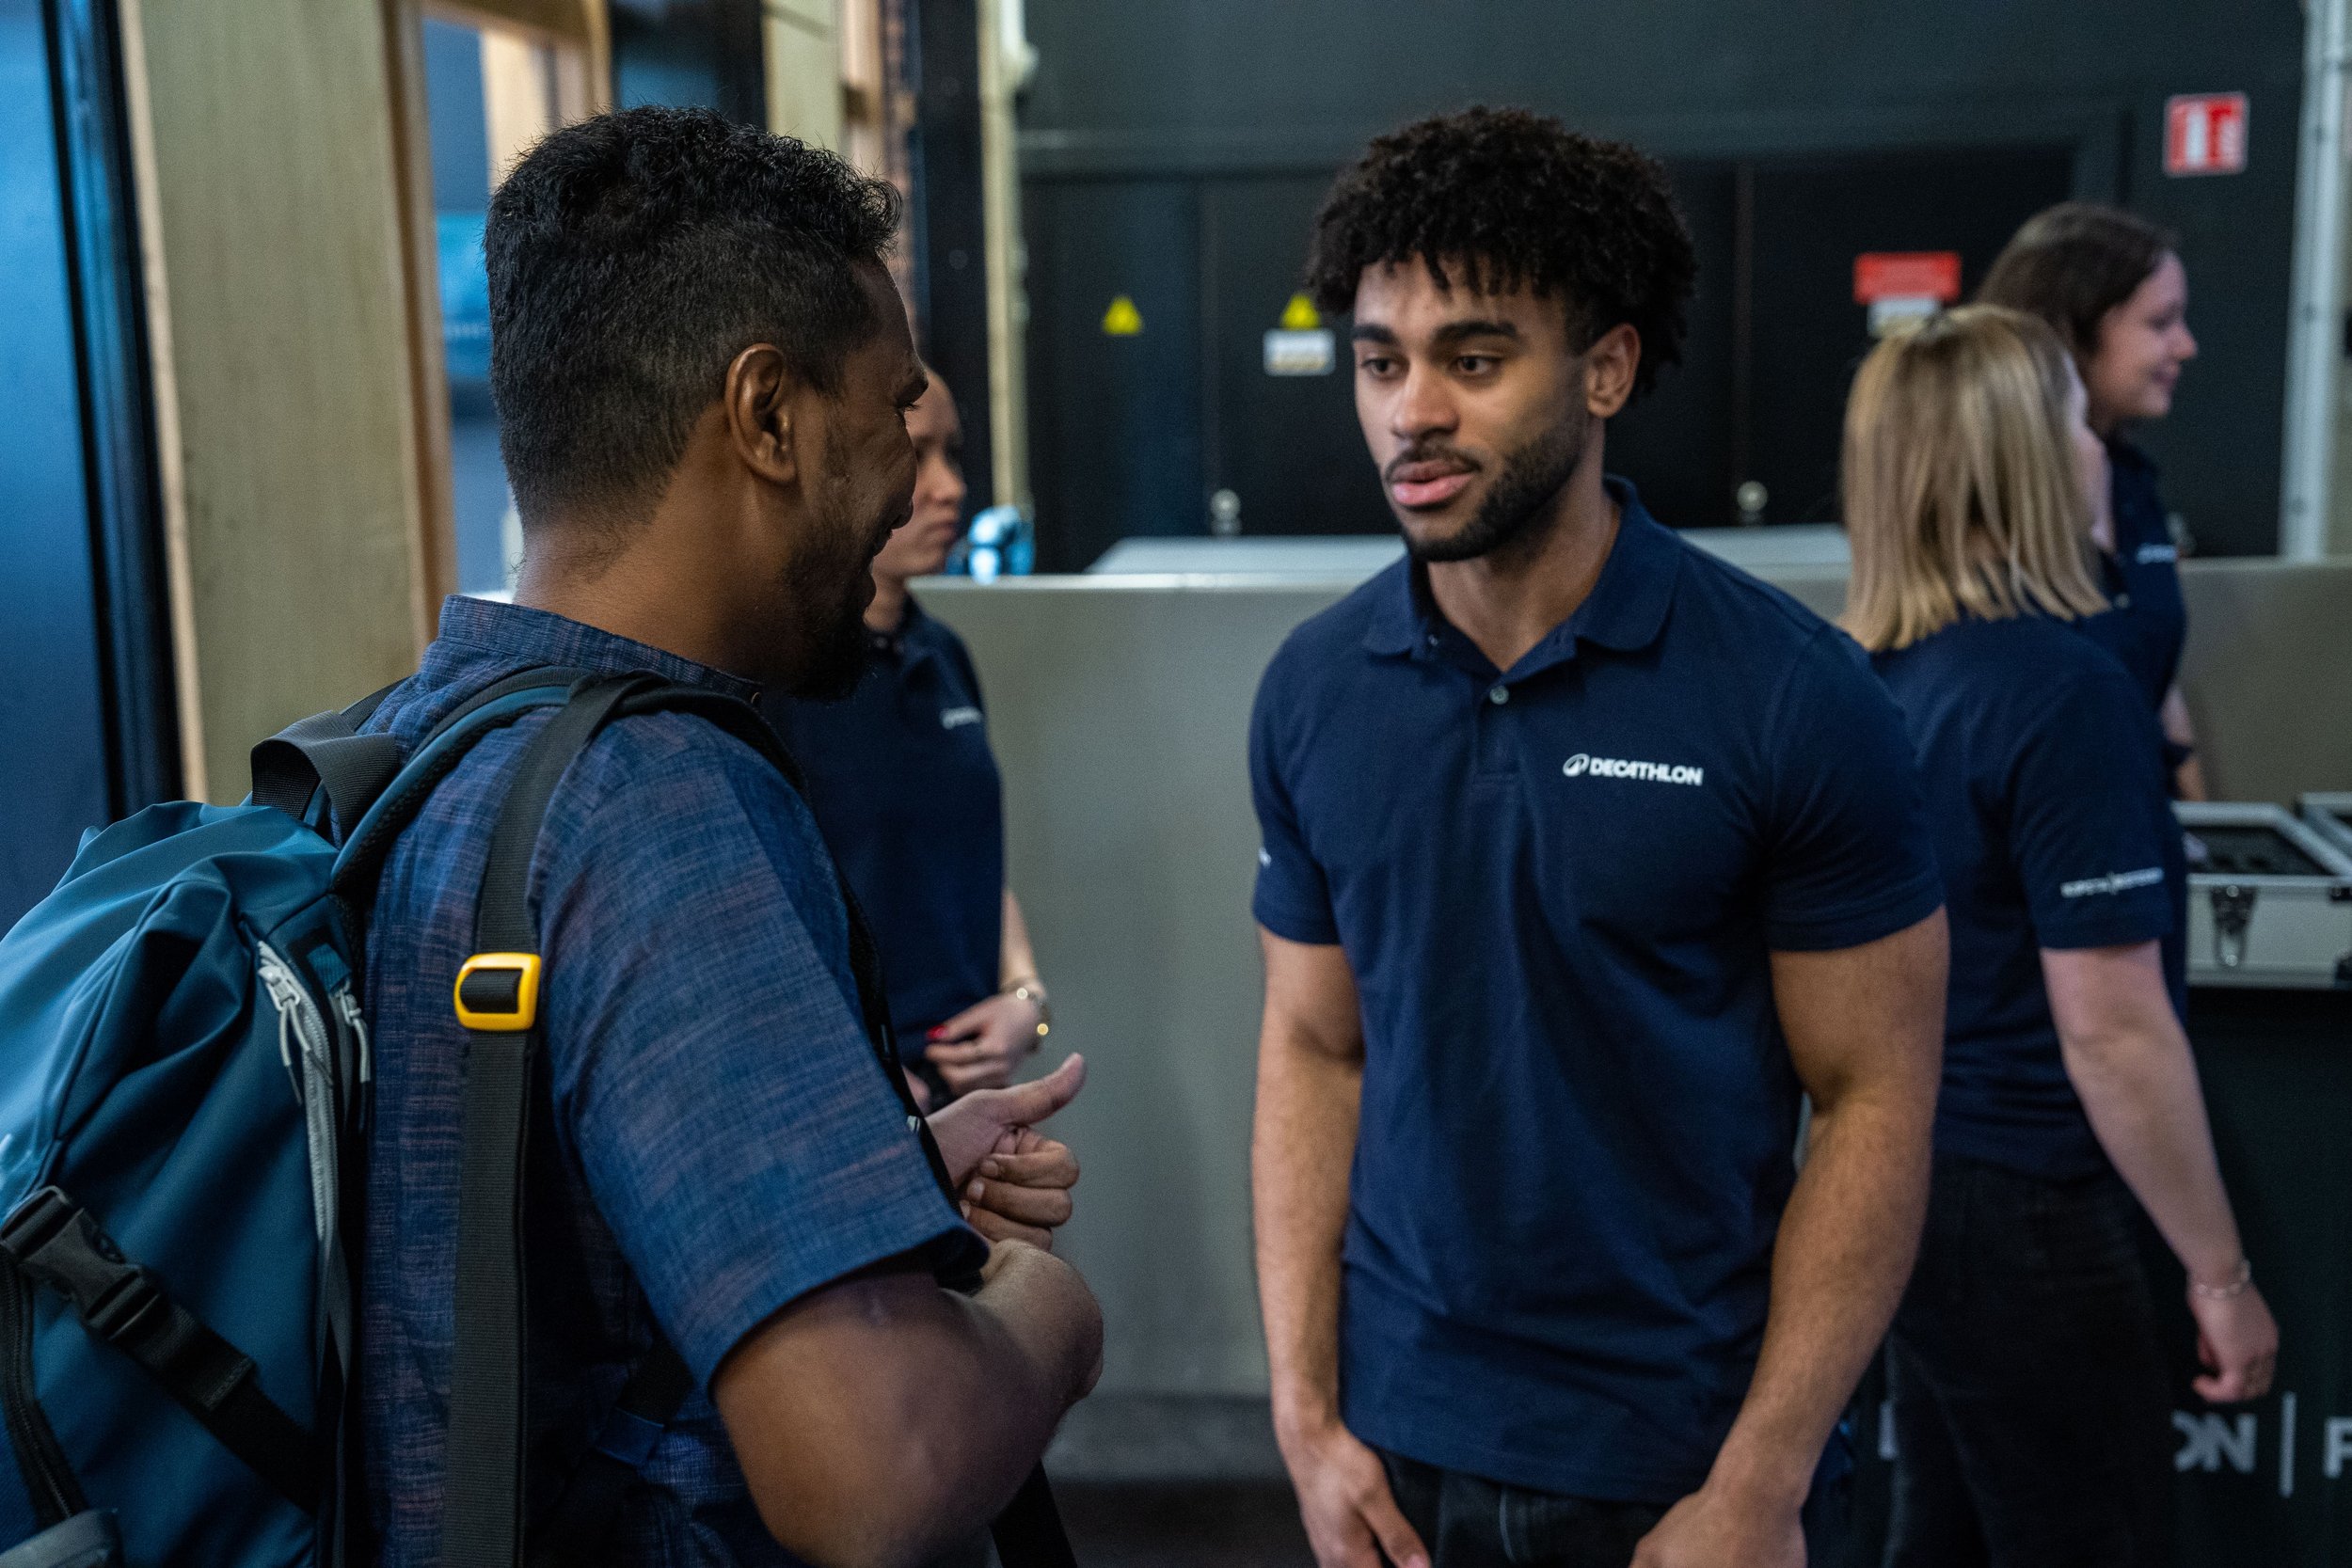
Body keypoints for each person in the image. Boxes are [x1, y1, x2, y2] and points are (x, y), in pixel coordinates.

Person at [357, 107, 1100, 1567]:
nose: (908, 472)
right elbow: (868, 1468)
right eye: (894, 409)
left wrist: (872, 1183)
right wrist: (1047, 1320)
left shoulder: (428, 740)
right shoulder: (658, 802)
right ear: (767, 417)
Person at [1248, 106, 1950, 1568]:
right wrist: (1305, 1416)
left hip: (1679, 1456)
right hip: (1398, 1443)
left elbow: (1875, 1096)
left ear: (1609, 366)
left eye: (1475, 358)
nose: (1411, 410)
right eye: (1382, 361)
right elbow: (1318, 1046)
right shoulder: (1315, 691)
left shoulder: (1794, 695)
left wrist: (1761, 1478)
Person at [1842, 305, 2278, 1567]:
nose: (2100, 446)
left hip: (1910, 1184)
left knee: (1950, 1529)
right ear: (2028, 457)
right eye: (2078, 421)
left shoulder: (1880, 675)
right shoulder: (2066, 689)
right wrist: (2219, 1271)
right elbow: (2114, 1029)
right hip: (2027, 1201)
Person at [764, 368, 1052, 1110]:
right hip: (854, 1110)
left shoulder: (942, 657)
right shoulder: (778, 680)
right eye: (916, 454)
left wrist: (1024, 996)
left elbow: (970, 853)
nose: (949, 486)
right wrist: (870, 1087)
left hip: (973, 1090)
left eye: (951, 455)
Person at [1979, 202, 2205, 800]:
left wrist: (2210, 819)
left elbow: (2153, 674)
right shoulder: (1986, 502)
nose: (2186, 347)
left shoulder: (2132, 479)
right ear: (2071, 331)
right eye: (2160, 324)